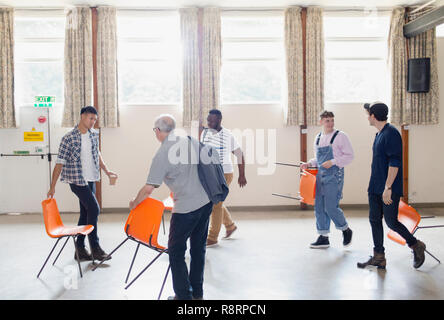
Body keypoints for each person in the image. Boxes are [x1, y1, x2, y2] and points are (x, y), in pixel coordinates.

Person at [129, 114, 212, 300]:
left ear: (158, 131)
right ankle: (197, 293)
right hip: (206, 202)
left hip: (186, 208)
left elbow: (149, 188)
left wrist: (134, 203)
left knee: (175, 251)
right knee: (198, 248)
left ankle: (183, 297)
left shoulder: (162, 154)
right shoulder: (189, 140)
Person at [357, 102, 426, 269]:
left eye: (368, 114)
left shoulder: (391, 134)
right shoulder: (379, 134)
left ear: (373, 116)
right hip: (374, 187)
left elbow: (395, 163)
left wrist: (387, 188)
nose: (367, 117)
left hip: (388, 188)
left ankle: (416, 245)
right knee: (374, 220)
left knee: (391, 222)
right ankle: (379, 257)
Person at [47, 106, 116, 261]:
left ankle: (80, 249)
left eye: (95, 119)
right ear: (82, 116)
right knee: (94, 208)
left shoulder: (93, 135)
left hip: (91, 178)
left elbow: (97, 154)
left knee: (86, 213)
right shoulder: (68, 138)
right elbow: (59, 163)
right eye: (90, 118)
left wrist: (107, 171)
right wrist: (52, 186)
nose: (93, 122)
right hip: (77, 180)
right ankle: (95, 248)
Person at [301, 110, 354, 249]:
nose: (330, 123)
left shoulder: (340, 136)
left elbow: (349, 156)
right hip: (320, 176)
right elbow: (318, 160)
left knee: (330, 207)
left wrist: (333, 161)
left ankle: (345, 229)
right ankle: (323, 237)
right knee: (319, 207)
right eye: (327, 121)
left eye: (332, 120)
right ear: (321, 122)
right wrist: (309, 163)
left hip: (334, 176)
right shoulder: (318, 138)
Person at [200, 109, 247, 247]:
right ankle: (230, 226)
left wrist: (242, 175)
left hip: (224, 173)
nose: (209, 123)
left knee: (216, 205)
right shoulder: (205, 133)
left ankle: (212, 237)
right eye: (208, 120)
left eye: (212, 120)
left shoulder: (227, 135)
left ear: (220, 120)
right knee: (217, 202)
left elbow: (239, 154)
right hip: (209, 173)